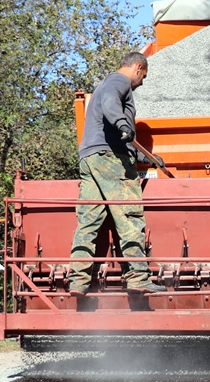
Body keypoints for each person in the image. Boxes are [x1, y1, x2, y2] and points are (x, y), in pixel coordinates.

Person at [67, 52, 166, 297]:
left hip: (90, 158)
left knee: (88, 221)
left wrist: (145, 158)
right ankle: (138, 278)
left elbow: (116, 136)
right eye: (143, 75)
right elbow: (111, 103)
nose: (142, 82)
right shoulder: (118, 82)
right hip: (110, 159)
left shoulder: (103, 83)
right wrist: (123, 123)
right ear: (138, 67)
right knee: (129, 215)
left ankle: (78, 281)